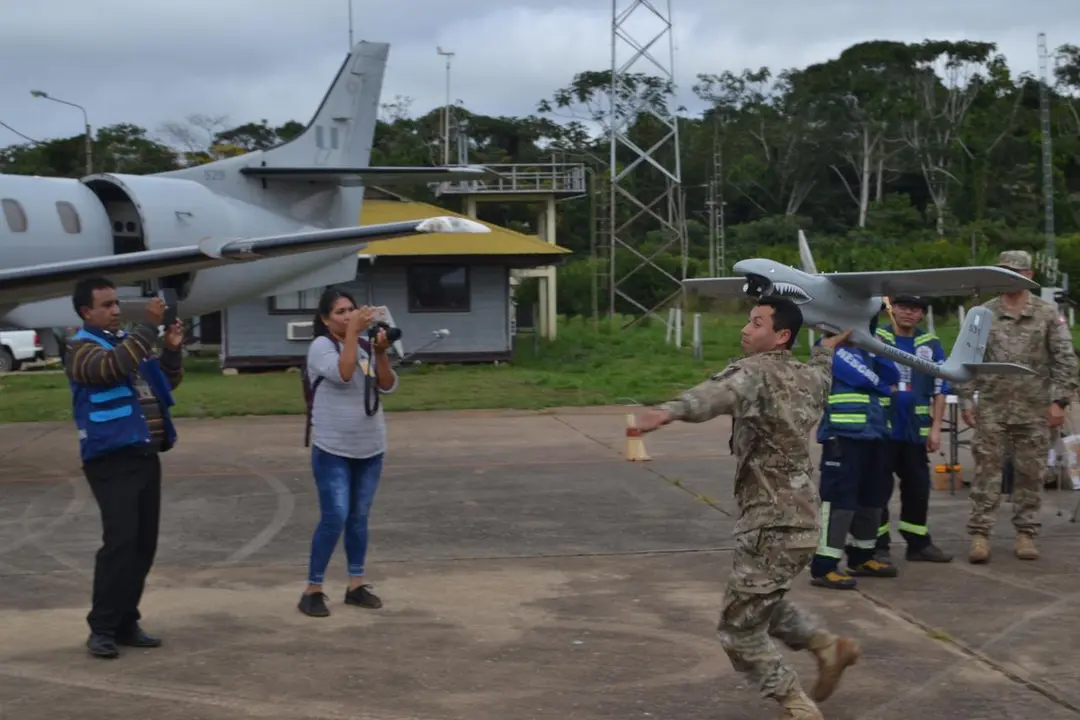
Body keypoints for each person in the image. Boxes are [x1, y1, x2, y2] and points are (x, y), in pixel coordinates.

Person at [635, 298, 861, 720]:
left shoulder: (755, 372)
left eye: (757, 323)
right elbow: (823, 365)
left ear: (781, 336)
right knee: (761, 602)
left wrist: (667, 412)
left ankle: (796, 704)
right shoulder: (809, 377)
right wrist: (827, 346)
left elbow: (716, 394)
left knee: (737, 629)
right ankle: (828, 647)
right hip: (802, 521)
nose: (745, 329)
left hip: (771, 523)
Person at [64, 276, 185, 659]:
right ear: (86, 312)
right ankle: (101, 628)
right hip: (110, 459)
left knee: (143, 545)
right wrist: (148, 327)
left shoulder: (126, 344)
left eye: (116, 303)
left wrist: (171, 350)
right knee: (119, 543)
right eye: (106, 305)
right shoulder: (81, 349)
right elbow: (111, 368)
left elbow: (163, 382)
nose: (116, 310)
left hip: (144, 454)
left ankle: (125, 621)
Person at [958, 250, 1079, 563]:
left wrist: (1060, 402)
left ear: (1029, 276)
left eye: (1017, 272)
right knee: (986, 474)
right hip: (992, 408)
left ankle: (1026, 533)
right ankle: (980, 535)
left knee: (1030, 474)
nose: (1010, 277)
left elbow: (1065, 360)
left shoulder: (1046, 314)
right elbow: (968, 359)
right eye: (1004, 271)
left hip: (1034, 409)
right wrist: (967, 398)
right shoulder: (982, 313)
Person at [298, 288, 398, 617]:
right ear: (326, 319)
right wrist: (354, 333)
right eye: (340, 312)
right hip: (333, 448)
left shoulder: (365, 346)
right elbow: (343, 374)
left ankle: (356, 584)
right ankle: (313, 589)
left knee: (359, 517)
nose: (348, 316)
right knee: (335, 516)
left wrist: (381, 352)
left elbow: (387, 384)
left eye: (351, 310)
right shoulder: (321, 346)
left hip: (370, 446)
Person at [808, 318, 900, 590]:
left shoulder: (871, 347)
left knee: (872, 499)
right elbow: (862, 377)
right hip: (844, 435)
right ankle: (825, 566)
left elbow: (893, 374)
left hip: (875, 432)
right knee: (839, 500)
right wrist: (883, 387)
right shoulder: (829, 347)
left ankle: (862, 556)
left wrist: (878, 349)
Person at [873, 296, 953, 563]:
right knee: (878, 487)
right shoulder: (877, 338)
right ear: (892, 309)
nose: (908, 313)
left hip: (915, 429)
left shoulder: (930, 343)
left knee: (918, 487)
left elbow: (941, 386)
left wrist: (936, 428)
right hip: (882, 428)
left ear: (921, 314)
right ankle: (878, 545)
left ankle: (918, 543)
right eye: (903, 307)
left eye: (915, 309)